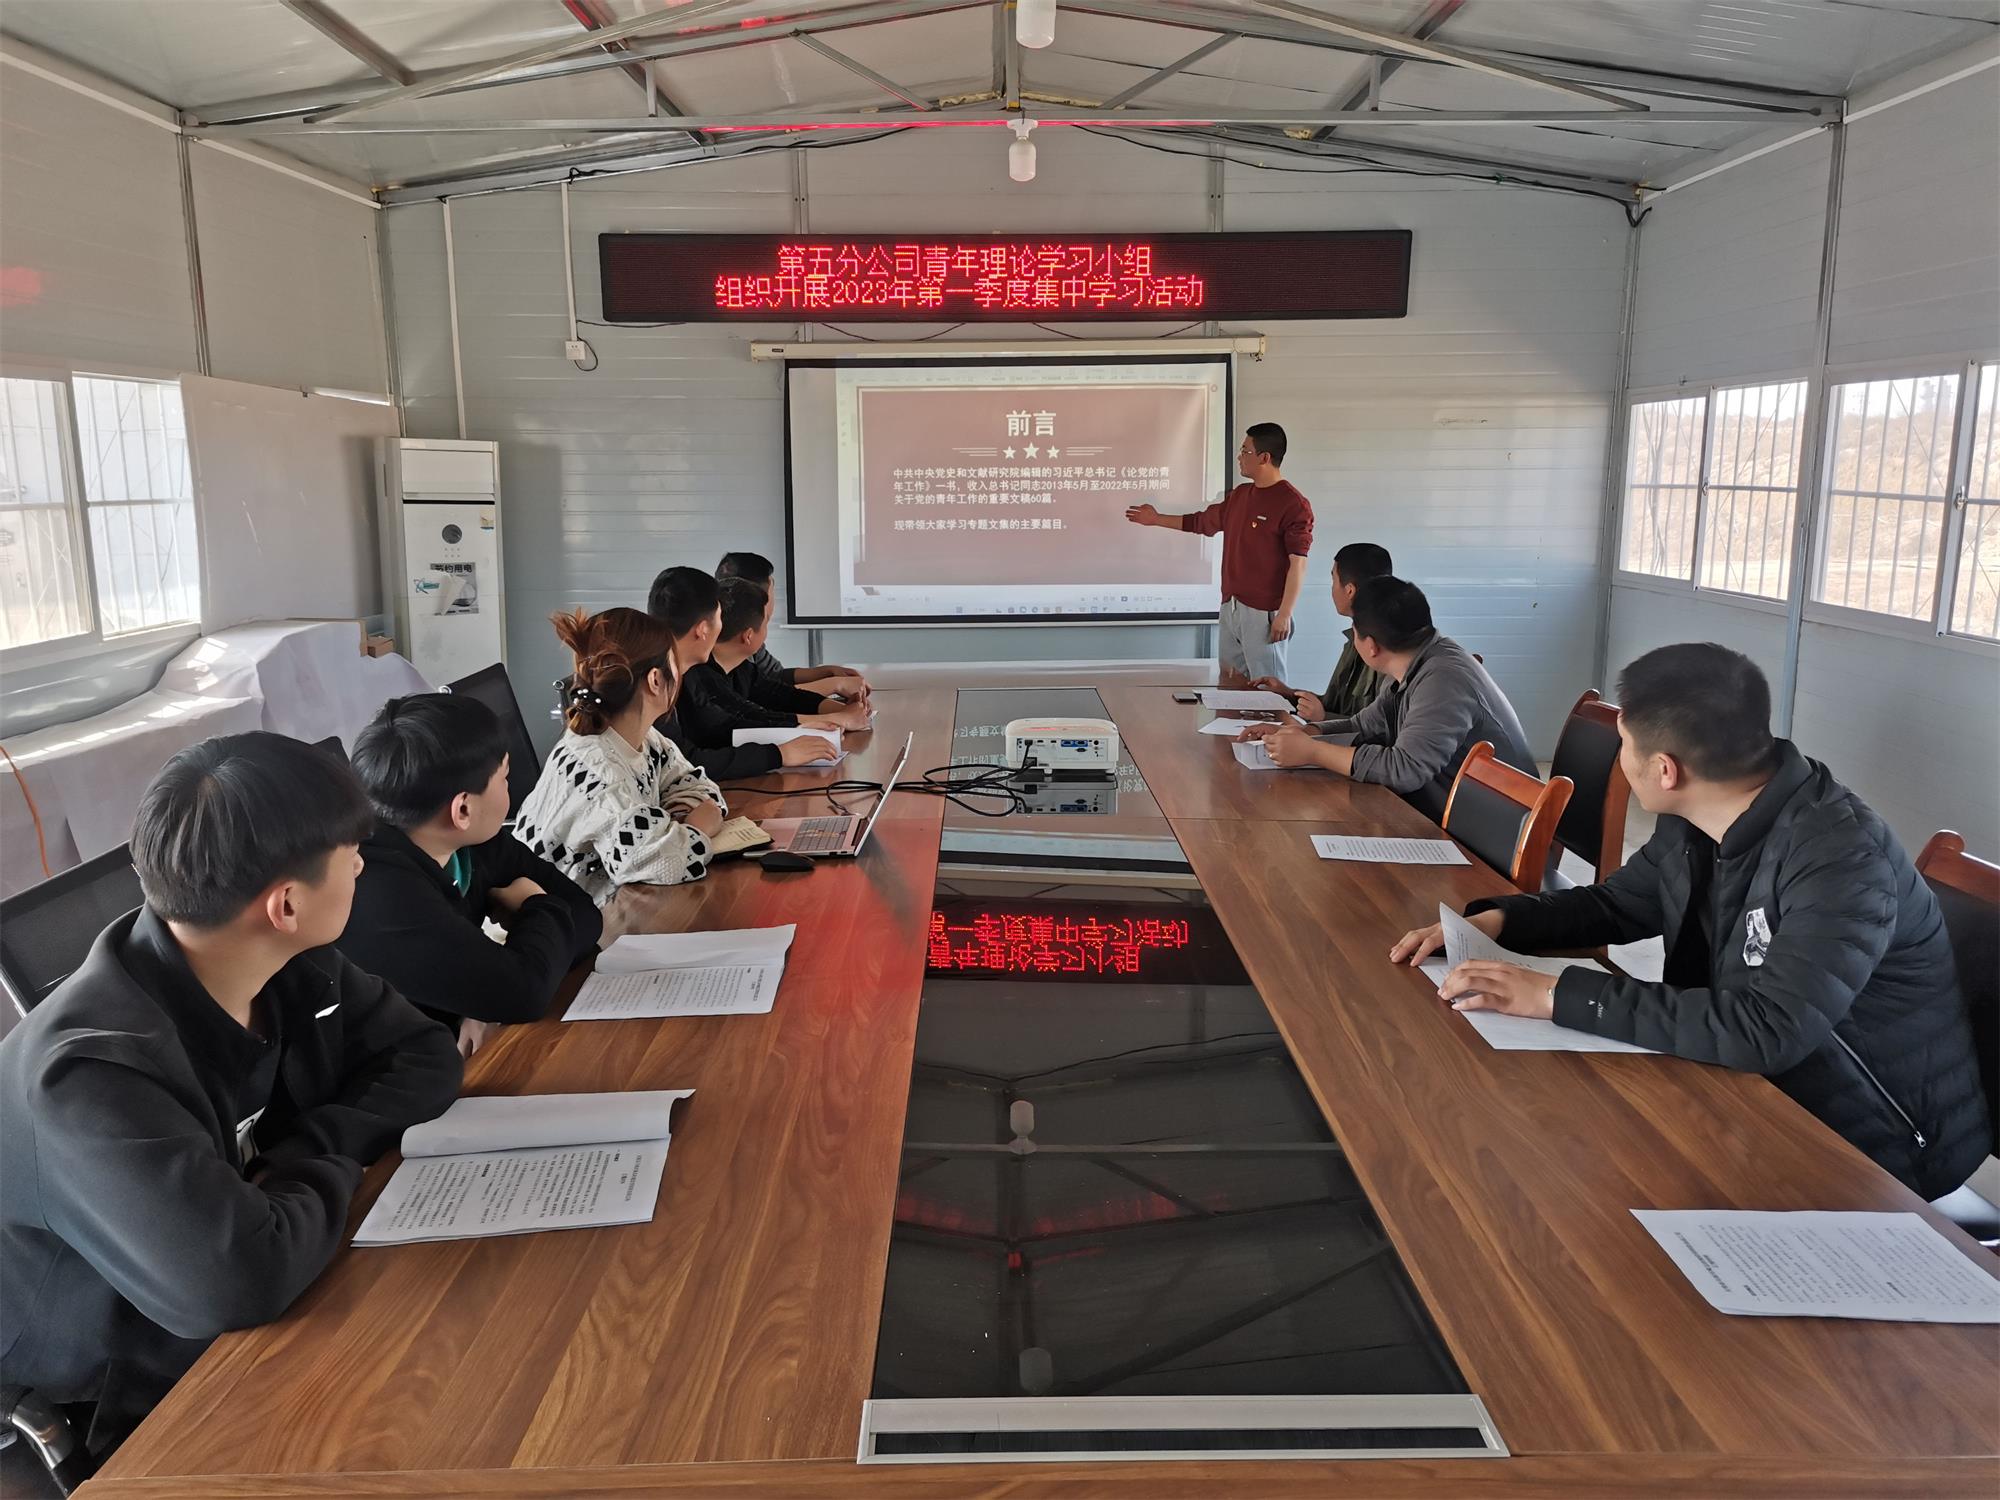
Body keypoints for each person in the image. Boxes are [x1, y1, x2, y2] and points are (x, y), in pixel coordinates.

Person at [1388, 643, 1987, 1201]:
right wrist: (1500, 921)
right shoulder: (1700, 813)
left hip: (1874, 1140)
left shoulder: (1841, 860)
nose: (1620, 761)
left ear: (1665, 769)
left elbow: (1768, 1030)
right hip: (1742, 1086)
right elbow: (1618, 905)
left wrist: (1554, 994)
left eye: (1624, 746)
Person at [0, 733, 461, 1457]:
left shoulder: (288, 963)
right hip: (130, 1386)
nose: (361, 866)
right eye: (351, 854)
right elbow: (237, 1282)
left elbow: (425, 1055)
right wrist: (307, 1182)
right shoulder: (88, 1074)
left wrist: (308, 1151)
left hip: (277, 1283)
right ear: (285, 904)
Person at [340, 694, 608, 1057]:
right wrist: (536, 906)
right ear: (463, 809)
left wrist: (483, 995)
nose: (510, 788)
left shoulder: (474, 843)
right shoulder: (378, 890)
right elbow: (524, 994)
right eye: (505, 778)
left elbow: (584, 915)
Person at [1241, 576, 1532, 823]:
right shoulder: (1413, 662)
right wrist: (1303, 734)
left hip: (1495, 832)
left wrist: (1313, 752)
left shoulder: (1443, 680)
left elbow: (1405, 769)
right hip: (1451, 812)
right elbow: (1363, 725)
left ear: (1370, 646)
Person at [512, 607, 727, 904]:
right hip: (553, 922)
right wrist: (697, 826)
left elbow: (697, 785)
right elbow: (661, 861)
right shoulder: (599, 771)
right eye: (674, 663)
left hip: (600, 910)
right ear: (655, 680)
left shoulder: (644, 739)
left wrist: (676, 826)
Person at [1124, 422, 1313, 682]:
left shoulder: (1292, 503)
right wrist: (1156, 519)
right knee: (1230, 680)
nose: (1239, 457)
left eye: (1245, 451)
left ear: (1264, 458)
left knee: (1267, 687)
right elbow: (1200, 522)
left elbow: (1298, 564)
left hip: (1264, 612)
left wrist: (1284, 613)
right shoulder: (1240, 496)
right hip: (1231, 606)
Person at [647, 566, 862, 781]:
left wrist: (795, 730)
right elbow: (687, 761)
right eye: (720, 618)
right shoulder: (658, 682)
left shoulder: (671, 671)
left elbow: (730, 723)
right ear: (703, 630)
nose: (721, 629)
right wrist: (780, 753)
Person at [1251, 541, 1395, 720]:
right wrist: (1289, 694)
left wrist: (1324, 718)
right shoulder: (1356, 639)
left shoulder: (1388, 648)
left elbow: (1383, 728)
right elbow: (1333, 705)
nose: (1332, 589)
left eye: (1334, 580)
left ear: (1349, 591)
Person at [714, 550, 868, 702]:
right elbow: (760, 698)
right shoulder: (737, 642)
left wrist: (827, 672)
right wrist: (835, 685)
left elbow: (773, 677)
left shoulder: (740, 636)